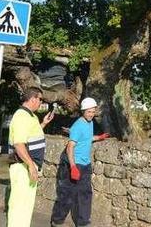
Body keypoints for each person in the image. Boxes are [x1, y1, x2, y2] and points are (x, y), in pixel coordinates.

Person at [50, 97, 110, 227]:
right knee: (67, 194)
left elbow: (87, 138)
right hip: (74, 164)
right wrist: (73, 167)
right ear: (83, 111)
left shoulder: (90, 123)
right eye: (89, 112)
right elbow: (70, 147)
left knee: (85, 194)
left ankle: (83, 222)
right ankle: (57, 220)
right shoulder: (78, 125)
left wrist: (98, 137)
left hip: (85, 164)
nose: (91, 114)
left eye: (93, 111)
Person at [8, 86, 55, 227]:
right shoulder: (21, 116)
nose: (41, 102)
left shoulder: (31, 116)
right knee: (19, 206)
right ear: (33, 98)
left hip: (27, 166)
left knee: (26, 205)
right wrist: (31, 166)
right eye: (40, 99)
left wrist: (44, 123)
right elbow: (19, 144)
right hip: (23, 167)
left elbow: (31, 135)